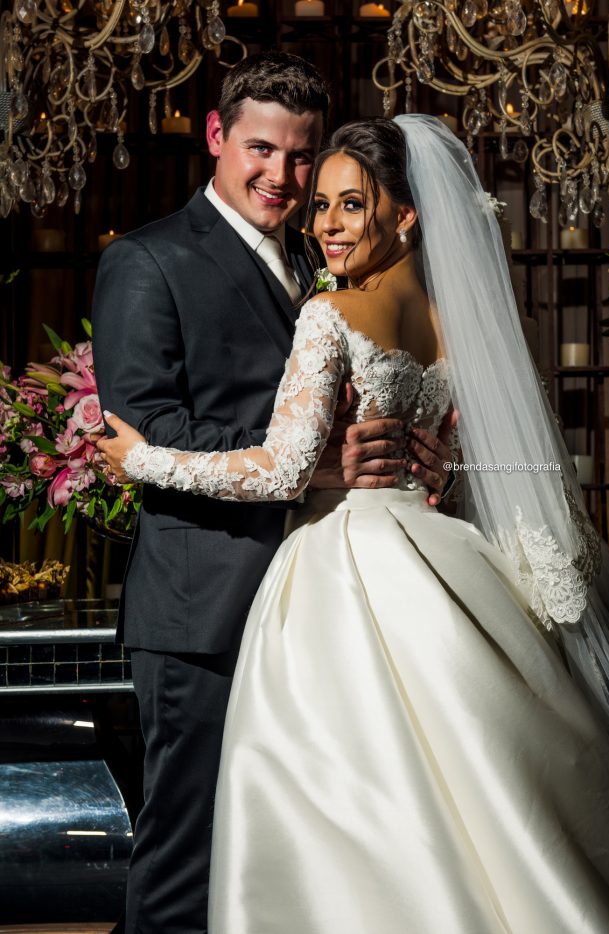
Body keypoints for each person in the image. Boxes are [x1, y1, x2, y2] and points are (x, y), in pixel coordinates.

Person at [100, 116, 609, 932]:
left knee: (342, 803)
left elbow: (281, 469)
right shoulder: (476, 324)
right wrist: (442, 471)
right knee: (461, 787)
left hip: (340, 570)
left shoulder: (330, 313)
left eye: (351, 204)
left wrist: (143, 459)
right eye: (321, 207)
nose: (326, 226)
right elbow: (519, 463)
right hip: (445, 562)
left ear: (404, 214)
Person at [92, 58, 451, 933]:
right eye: (261, 150)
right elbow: (145, 424)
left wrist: (412, 454)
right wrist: (313, 460)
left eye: (299, 157)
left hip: (319, 602)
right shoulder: (147, 260)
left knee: (284, 852)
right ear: (216, 137)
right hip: (204, 606)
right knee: (189, 852)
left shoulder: (320, 257)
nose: (283, 177)